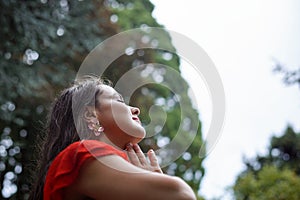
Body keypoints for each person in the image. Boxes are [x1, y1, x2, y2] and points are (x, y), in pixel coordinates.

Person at [29, 76, 196, 200]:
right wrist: (160, 186)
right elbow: (181, 193)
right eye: (120, 101)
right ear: (91, 115)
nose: (136, 109)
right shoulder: (82, 154)